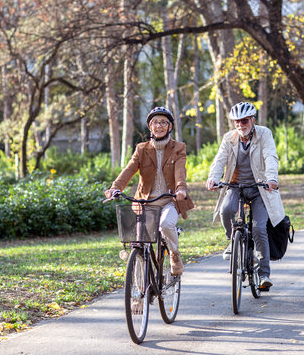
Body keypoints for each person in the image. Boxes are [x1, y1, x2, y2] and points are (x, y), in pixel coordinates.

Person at [105, 106, 194, 275]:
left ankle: (174, 254)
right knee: (139, 245)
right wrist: (115, 188)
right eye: (155, 122)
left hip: (170, 200)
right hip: (145, 203)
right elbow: (128, 170)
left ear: (170, 127)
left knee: (166, 225)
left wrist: (181, 189)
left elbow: (180, 172)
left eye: (163, 122)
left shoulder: (178, 148)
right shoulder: (141, 149)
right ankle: (138, 294)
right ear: (149, 126)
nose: (159, 126)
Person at [206, 102, 285, 289]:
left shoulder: (264, 134)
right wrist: (213, 178)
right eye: (237, 122)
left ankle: (264, 274)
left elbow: (270, 156)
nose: (241, 125)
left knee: (259, 228)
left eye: (244, 121)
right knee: (226, 211)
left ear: (253, 120)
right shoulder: (229, 138)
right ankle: (232, 242)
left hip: (260, 189)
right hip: (235, 187)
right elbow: (219, 160)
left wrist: (271, 178)